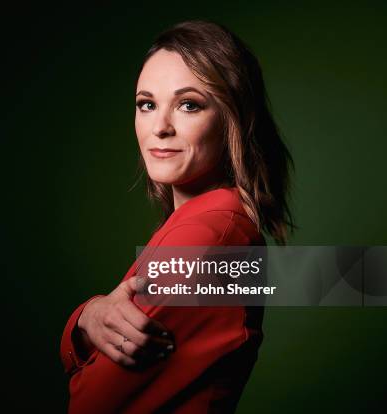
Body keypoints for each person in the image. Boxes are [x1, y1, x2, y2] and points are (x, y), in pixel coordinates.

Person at [60, 20, 295, 413]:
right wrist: (86, 320)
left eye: (189, 104)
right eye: (146, 104)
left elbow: (88, 404)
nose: (160, 127)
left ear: (232, 119)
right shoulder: (212, 225)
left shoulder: (205, 235)